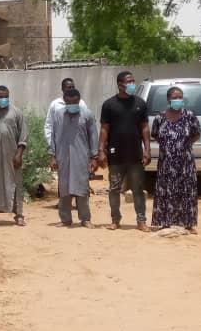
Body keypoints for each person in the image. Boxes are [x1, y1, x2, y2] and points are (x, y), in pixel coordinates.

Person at [99, 71, 150, 232]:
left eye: (133, 81)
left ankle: (141, 221)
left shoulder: (140, 103)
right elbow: (104, 129)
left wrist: (147, 149)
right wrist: (101, 150)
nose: (132, 84)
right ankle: (115, 220)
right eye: (129, 81)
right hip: (116, 156)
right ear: (120, 84)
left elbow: (145, 127)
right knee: (114, 189)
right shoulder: (109, 105)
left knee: (137, 189)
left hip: (135, 155)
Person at [151, 86, 201, 233]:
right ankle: (165, 222)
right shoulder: (160, 118)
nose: (178, 100)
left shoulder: (190, 116)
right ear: (168, 99)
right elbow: (155, 134)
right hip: (166, 162)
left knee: (187, 191)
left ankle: (188, 223)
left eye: (180, 97)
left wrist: (184, 145)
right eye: (174, 98)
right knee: (166, 191)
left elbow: (197, 133)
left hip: (185, 162)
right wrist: (168, 146)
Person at [48, 88, 99, 228]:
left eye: (75, 102)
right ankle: (65, 219)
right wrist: (52, 156)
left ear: (79, 100)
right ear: (64, 101)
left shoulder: (87, 114)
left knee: (82, 188)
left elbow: (93, 136)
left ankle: (85, 218)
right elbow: (53, 136)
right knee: (64, 189)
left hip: (81, 157)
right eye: (69, 102)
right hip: (62, 157)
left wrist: (94, 157)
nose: (72, 105)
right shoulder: (58, 115)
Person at [0, 86, 28, 226]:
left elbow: (23, 135)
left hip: (12, 156)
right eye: (1, 97)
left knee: (14, 183)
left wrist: (19, 154)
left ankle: (19, 214)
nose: (4, 99)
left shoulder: (16, 113)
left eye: (6, 96)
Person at [44, 77, 87, 145]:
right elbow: (49, 124)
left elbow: (87, 123)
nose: (71, 89)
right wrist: (51, 143)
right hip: (60, 144)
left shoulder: (81, 103)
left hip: (78, 144)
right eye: (69, 87)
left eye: (73, 87)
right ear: (62, 89)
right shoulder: (55, 104)